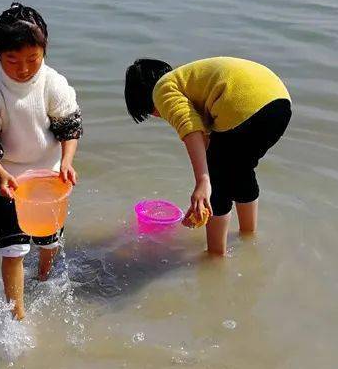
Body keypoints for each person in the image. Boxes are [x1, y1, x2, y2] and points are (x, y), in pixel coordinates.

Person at [0, 3, 82, 319]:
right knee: (12, 249)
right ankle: (17, 316)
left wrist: (67, 162)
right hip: (8, 177)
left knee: (49, 238)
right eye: (12, 60)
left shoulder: (52, 82)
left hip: (49, 173)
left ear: (44, 51)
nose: (24, 68)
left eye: (32, 59)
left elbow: (69, 126)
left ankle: (43, 275)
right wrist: (0, 174)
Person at [124, 56, 291, 256]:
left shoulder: (161, 89)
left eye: (152, 113)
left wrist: (203, 182)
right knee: (240, 170)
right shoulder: (192, 83)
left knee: (218, 179)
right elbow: (208, 141)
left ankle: (215, 256)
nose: (160, 115)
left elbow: (190, 129)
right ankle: (248, 235)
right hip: (278, 102)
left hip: (243, 105)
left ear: (146, 99)